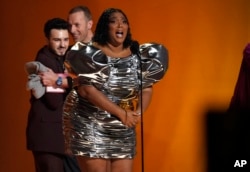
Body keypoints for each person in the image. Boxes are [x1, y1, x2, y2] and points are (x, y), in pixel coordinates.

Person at [62, 8, 168, 172]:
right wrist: (122, 114)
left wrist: (137, 114)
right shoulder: (90, 53)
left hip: (123, 127)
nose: (120, 25)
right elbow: (86, 90)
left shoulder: (137, 55)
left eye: (124, 21)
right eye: (114, 21)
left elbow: (146, 87)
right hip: (92, 124)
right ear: (105, 26)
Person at [26, 18, 80, 172]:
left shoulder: (63, 57)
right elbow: (54, 100)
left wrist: (60, 79)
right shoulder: (45, 60)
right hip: (48, 139)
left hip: (58, 139)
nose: (62, 45)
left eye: (65, 39)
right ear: (47, 40)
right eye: (57, 40)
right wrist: (69, 81)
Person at [41, 5, 94, 88]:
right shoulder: (68, 52)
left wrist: (58, 81)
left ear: (89, 24)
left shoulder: (104, 50)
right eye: (70, 25)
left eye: (77, 25)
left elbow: (93, 84)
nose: (72, 30)